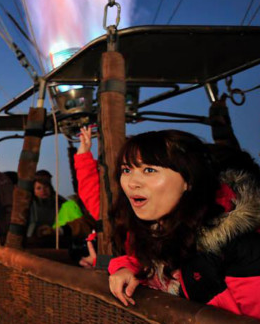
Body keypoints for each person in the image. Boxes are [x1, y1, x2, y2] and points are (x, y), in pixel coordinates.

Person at [101, 130, 260, 318]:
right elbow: (148, 260)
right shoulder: (154, 232)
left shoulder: (242, 247)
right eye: (126, 170)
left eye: (149, 170)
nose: (132, 182)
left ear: (188, 180)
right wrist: (127, 268)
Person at [26, 170, 66, 238]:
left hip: (58, 241)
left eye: (46, 187)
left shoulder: (61, 202)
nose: (43, 191)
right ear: (34, 190)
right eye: (39, 188)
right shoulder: (28, 204)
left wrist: (55, 231)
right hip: (32, 241)